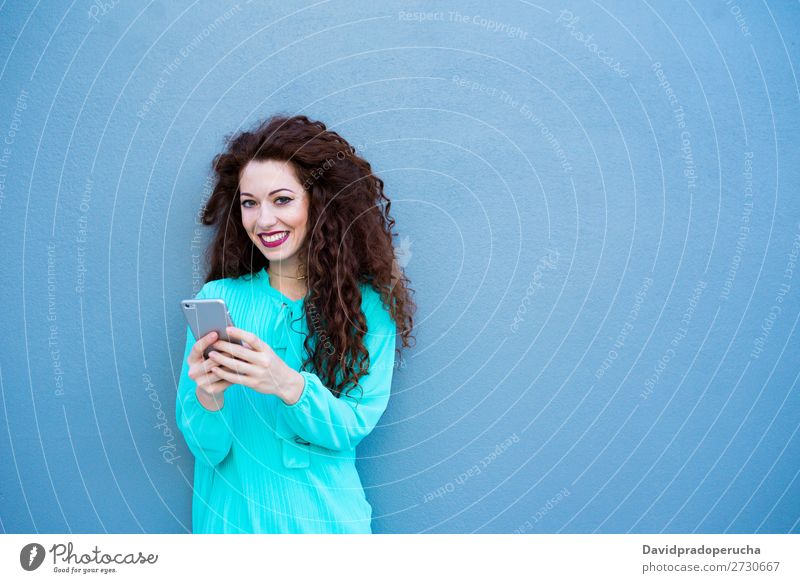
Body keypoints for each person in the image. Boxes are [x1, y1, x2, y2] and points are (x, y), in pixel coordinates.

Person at [176, 115, 415, 533]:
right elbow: (205, 449)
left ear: (319, 202)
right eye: (250, 203)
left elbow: (352, 427)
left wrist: (286, 383)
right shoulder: (220, 298)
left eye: (282, 199)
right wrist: (207, 396)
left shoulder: (368, 306)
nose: (263, 220)